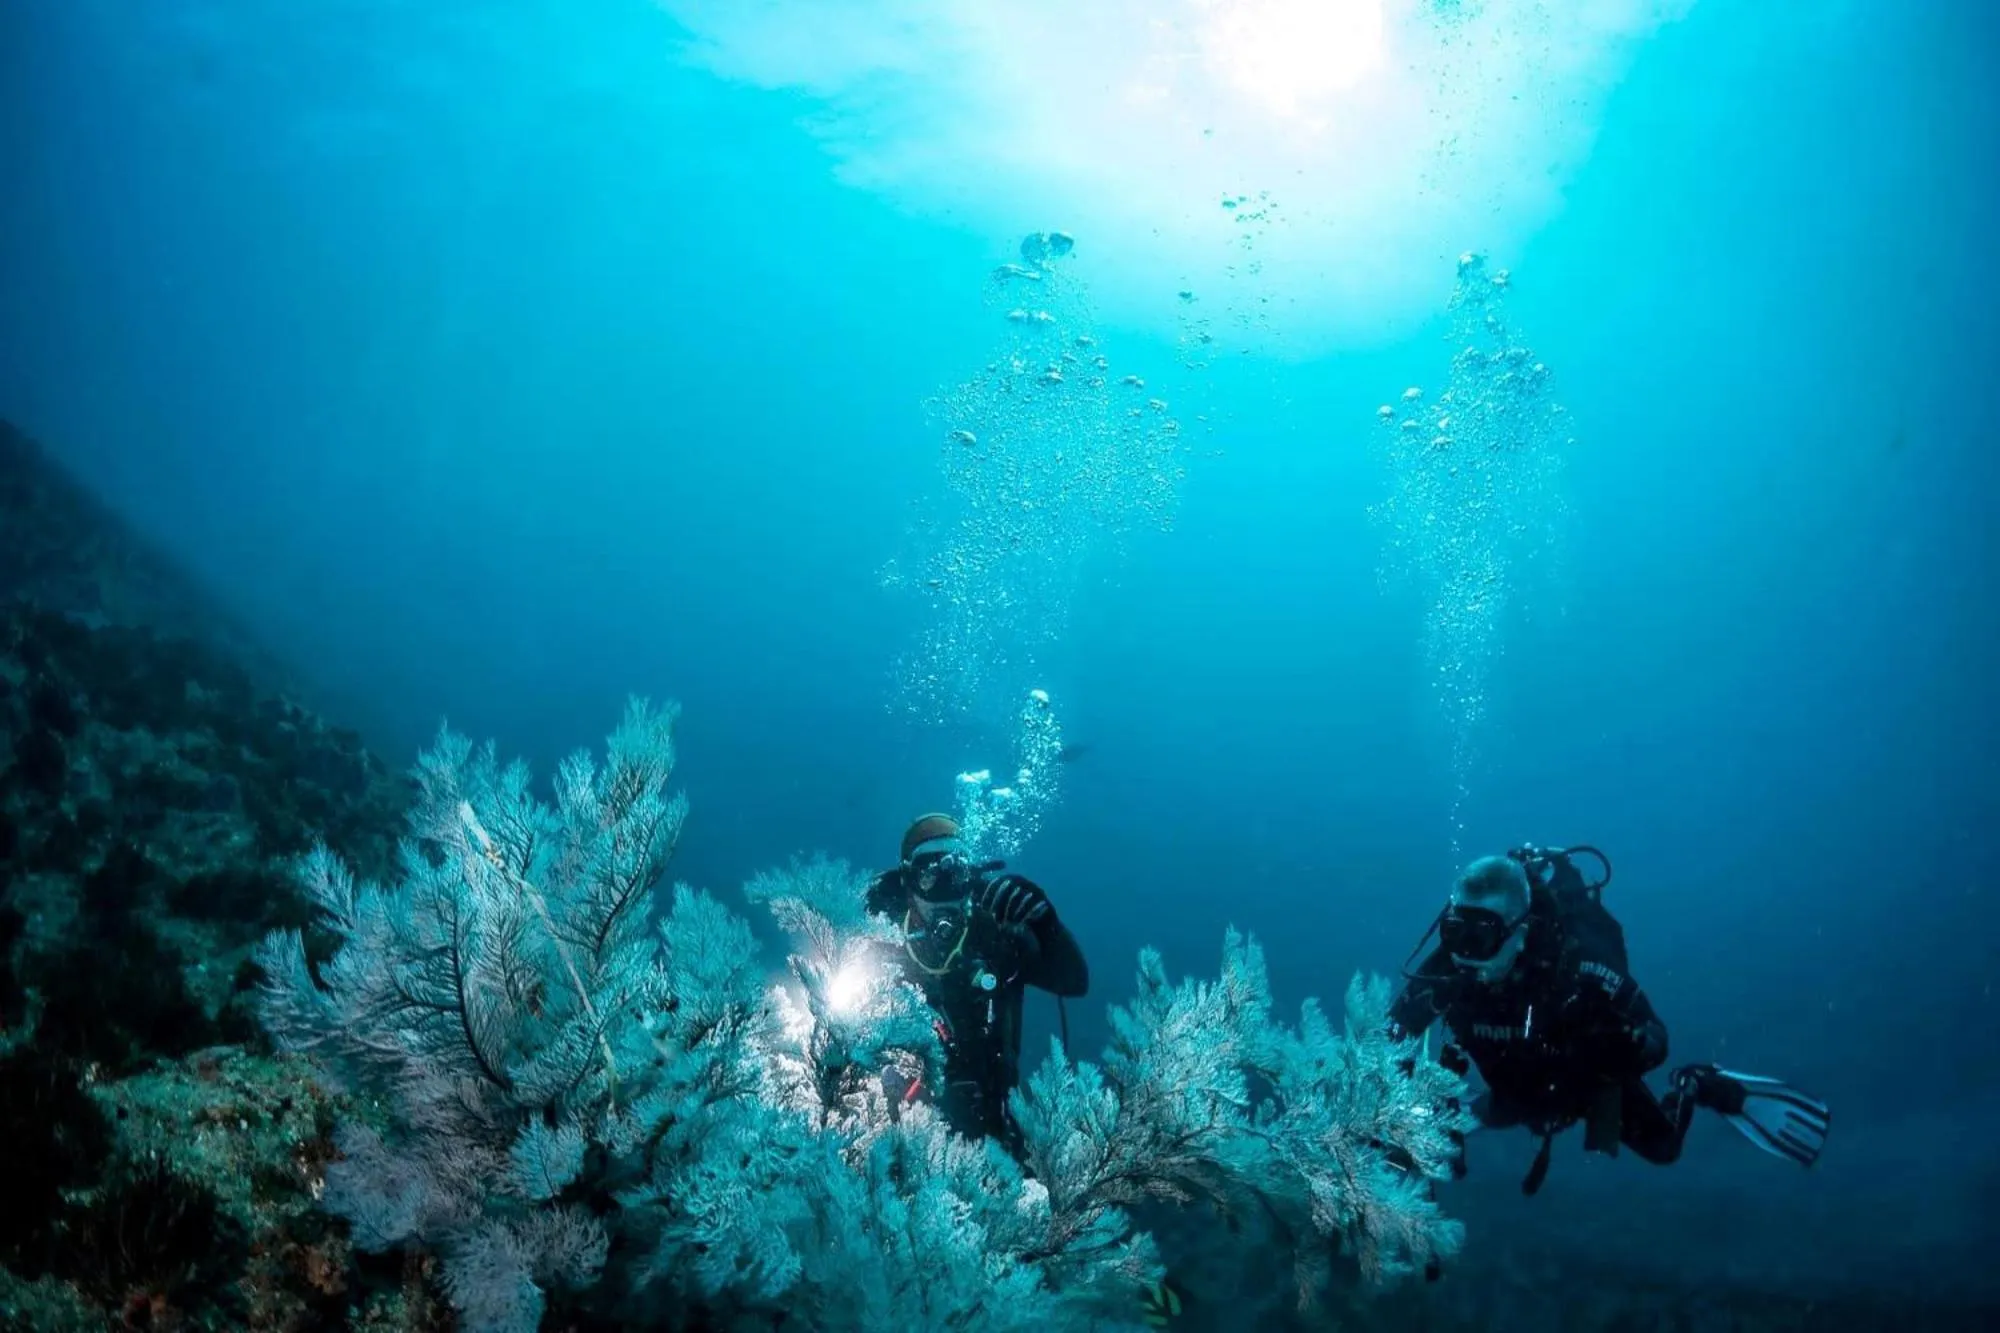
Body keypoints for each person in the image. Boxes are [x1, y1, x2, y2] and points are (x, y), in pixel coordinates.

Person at [1389, 844, 1831, 1195]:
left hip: (1582, 1079)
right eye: (1455, 933)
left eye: (1481, 937)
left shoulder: (1580, 967)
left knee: (1664, 1149)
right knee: (1452, 1124)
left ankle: (1698, 1083)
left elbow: (1657, 1035)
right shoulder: (1447, 968)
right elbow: (1385, 1041)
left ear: (1520, 932)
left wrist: (1628, 1044)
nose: (1464, 953)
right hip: (1515, 1091)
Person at [867, 813, 1090, 1154]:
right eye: (929, 875)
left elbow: (1074, 982)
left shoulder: (998, 933)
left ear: (968, 878)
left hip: (990, 1132)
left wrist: (1046, 926)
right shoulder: (883, 936)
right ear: (909, 882)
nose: (944, 892)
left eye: (954, 875)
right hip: (887, 1127)